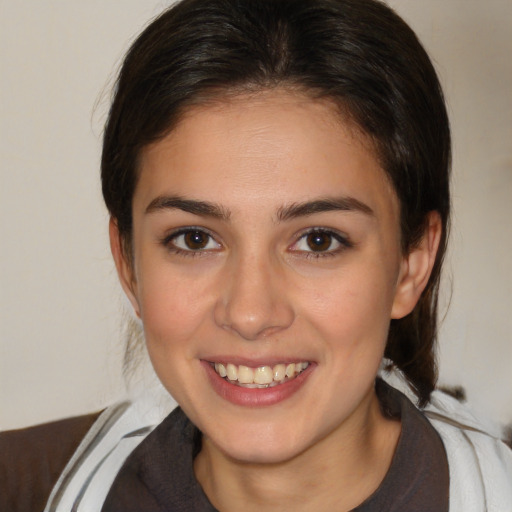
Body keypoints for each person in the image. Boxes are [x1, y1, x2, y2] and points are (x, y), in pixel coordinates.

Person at [1, 0, 511, 510]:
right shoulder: (25, 488)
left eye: (318, 240)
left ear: (411, 263)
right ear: (129, 264)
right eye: (195, 239)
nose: (249, 313)